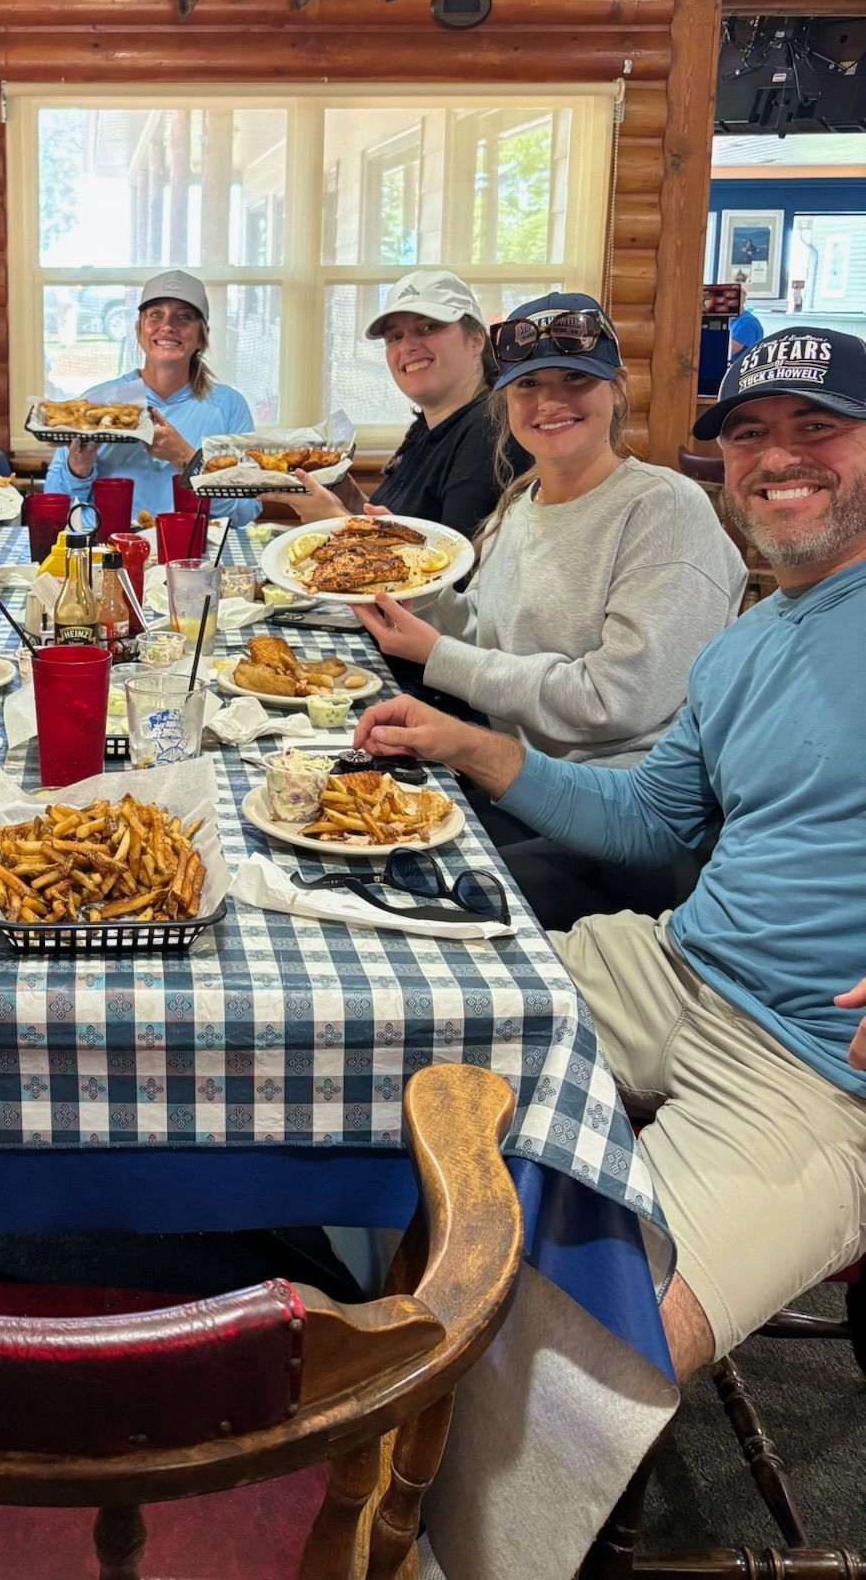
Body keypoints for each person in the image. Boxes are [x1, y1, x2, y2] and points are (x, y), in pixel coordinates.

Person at [352, 322, 866, 1379]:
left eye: (820, 428)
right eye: (751, 433)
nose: (779, 458)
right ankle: (392, 1321)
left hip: (812, 1063)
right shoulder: (747, 646)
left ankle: (434, 1508)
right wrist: (474, 745)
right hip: (675, 962)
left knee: (587, 1361)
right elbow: (650, 818)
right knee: (373, 1014)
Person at [353, 293, 746, 926]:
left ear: (617, 390)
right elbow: (485, 627)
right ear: (504, 401)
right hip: (518, 785)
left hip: (625, 821)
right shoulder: (522, 503)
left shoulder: (663, 511)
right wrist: (409, 581)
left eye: (576, 379)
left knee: (411, 912)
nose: (549, 402)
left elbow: (614, 700)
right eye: (528, 384)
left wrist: (436, 655)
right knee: (358, 848)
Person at [287, 268, 526, 539]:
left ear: (475, 340)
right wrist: (349, 498)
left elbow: (457, 571)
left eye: (428, 327)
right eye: (394, 337)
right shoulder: (428, 429)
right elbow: (404, 526)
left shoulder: (489, 431)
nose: (407, 346)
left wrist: (336, 522)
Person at [43, 271, 261, 526]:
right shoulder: (98, 403)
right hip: (110, 552)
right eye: (156, 314)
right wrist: (77, 469)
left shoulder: (229, 407)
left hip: (190, 555)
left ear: (202, 335)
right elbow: (55, 505)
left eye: (184, 317)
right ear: (140, 329)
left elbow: (246, 510)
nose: (168, 325)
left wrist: (187, 460)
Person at [728, 270, 765, 360]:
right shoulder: (730, 320)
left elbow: (730, 351)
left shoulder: (747, 322)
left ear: (743, 300)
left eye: (734, 298)